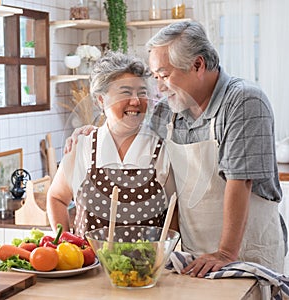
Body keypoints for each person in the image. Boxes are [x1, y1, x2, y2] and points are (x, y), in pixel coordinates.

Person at [64, 21, 286, 276]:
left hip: (244, 254)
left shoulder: (243, 101)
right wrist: (93, 132)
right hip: (195, 258)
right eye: (156, 78)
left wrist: (226, 253)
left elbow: (240, 181)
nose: (159, 87)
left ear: (198, 65)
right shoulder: (166, 111)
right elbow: (130, 127)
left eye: (164, 75)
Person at [47, 51, 178, 239]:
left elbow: (174, 209)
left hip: (146, 267)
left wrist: (166, 253)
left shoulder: (160, 148)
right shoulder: (82, 147)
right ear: (101, 100)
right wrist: (65, 242)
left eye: (142, 93)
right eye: (125, 92)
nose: (136, 101)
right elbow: (57, 198)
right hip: (90, 267)